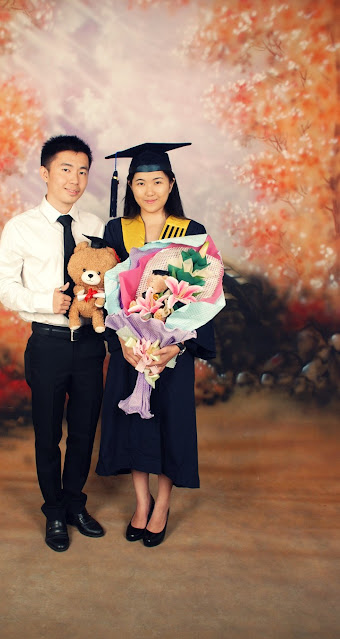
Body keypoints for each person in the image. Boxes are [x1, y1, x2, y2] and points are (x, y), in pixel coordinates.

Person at [96, 143, 216, 547]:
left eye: (158, 182)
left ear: (171, 183)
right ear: (130, 185)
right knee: (134, 425)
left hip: (171, 352)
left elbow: (205, 295)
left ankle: (162, 505)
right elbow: (109, 291)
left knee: (169, 424)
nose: (149, 191)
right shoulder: (116, 231)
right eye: (141, 182)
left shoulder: (191, 230)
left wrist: (176, 347)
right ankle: (141, 502)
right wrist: (124, 341)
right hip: (130, 349)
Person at [0, 135, 106, 552]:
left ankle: (75, 502)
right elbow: (3, 284)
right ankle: (54, 511)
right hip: (48, 344)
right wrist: (46, 301)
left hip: (90, 344)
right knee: (47, 433)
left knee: (84, 431)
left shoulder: (95, 226)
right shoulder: (20, 227)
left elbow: (109, 277)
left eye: (82, 171)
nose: (74, 180)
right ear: (45, 173)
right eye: (65, 169)